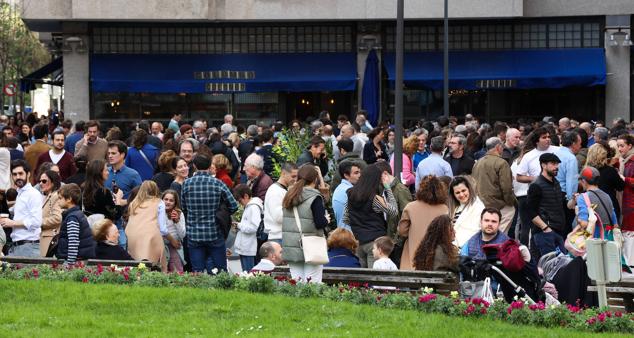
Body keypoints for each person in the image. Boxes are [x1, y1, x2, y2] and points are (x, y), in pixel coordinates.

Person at [182, 154, 239, 273]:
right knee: (220, 270)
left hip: (194, 234)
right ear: (210, 166)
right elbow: (234, 206)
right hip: (214, 232)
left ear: (194, 166)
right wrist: (221, 211)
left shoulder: (186, 184)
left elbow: (184, 208)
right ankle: (221, 290)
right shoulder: (218, 183)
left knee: (197, 271)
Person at [342, 163, 398, 268]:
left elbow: (346, 218)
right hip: (375, 243)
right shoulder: (374, 198)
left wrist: (359, 225)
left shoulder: (350, 194)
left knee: (363, 279)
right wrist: (388, 188)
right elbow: (393, 211)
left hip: (359, 242)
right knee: (374, 278)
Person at [282, 164, 330, 283]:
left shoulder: (289, 195)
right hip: (311, 244)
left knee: (297, 282)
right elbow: (319, 223)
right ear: (315, 179)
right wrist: (326, 219)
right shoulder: (314, 197)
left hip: (292, 244)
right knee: (312, 283)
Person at [398, 175, 449, 270]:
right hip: (436, 256)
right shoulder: (444, 209)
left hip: (413, 254)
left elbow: (402, 231)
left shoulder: (410, 207)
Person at [471, 137, 516, 233]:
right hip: (497, 203)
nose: (503, 149)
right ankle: (497, 240)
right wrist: (512, 202)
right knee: (511, 210)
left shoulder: (478, 162)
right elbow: (506, 189)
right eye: (502, 147)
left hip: (480, 203)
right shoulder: (502, 163)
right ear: (498, 147)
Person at [527, 153, 567, 258]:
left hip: (558, 231)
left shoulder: (556, 183)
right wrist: (545, 228)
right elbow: (531, 211)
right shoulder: (536, 185)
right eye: (553, 164)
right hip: (544, 233)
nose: (556, 167)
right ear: (543, 165)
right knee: (549, 266)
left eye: (557, 164)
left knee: (561, 265)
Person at [126, 181, 170, 272]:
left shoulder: (133, 203)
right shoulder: (159, 202)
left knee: (137, 266)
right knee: (155, 267)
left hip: (132, 236)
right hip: (152, 236)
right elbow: (163, 228)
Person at [1, 160, 42, 257]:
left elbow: (36, 222)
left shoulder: (33, 194)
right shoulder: (20, 193)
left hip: (28, 247)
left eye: (20, 173)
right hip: (17, 246)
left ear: (28, 174)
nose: (18, 177)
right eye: (14, 174)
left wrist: (12, 223)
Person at [55, 183, 96, 264]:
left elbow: (73, 242)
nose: (58, 201)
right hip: (78, 259)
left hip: (75, 261)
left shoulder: (72, 218)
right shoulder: (76, 214)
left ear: (69, 199)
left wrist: (70, 263)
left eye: (60, 198)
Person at [585, 142, 624, 220]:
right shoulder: (610, 171)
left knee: (593, 229)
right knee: (610, 230)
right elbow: (621, 186)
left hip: (591, 205)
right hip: (609, 206)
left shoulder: (586, 171)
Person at [263, 162, 298, 244]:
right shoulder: (275, 191)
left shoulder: (282, 189)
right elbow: (279, 217)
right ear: (283, 173)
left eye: (297, 176)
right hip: (278, 237)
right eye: (293, 176)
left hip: (282, 236)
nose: (295, 179)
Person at [231, 184, 263, 272]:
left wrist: (239, 225)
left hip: (249, 247)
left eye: (240, 200)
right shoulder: (249, 207)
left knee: (249, 273)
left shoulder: (253, 207)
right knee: (246, 273)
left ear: (246, 196)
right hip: (245, 246)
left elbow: (254, 227)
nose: (240, 204)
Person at [448, 176, 486, 248]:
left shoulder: (478, 206)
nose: (461, 195)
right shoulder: (456, 207)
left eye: (463, 190)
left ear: (469, 189)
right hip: (451, 246)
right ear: (453, 195)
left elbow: (475, 231)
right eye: (457, 192)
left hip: (465, 248)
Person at [617, 134, 634, 267]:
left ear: (630, 146)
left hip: (631, 204)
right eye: (618, 146)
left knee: (630, 235)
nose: (619, 148)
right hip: (627, 203)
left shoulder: (632, 161)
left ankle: (630, 265)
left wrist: (624, 179)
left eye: (622, 146)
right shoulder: (624, 161)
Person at [39, 170, 63, 256]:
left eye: (44, 181)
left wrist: (38, 222)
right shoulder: (46, 197)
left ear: (53, 182)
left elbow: (57, 218)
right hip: (44, 238)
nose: (41, 183)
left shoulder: (55, 196)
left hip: (50, 238)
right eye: (40, 181)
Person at [332, 161, 361, 231]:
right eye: (356, 173)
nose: (360, 175)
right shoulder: (349, 190)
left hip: (344, 232)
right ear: (346, 175)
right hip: (350, 234)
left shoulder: (340, 188)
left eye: (359, 172)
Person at [162, 189, 186, 272]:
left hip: (174, 246)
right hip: (160, 245)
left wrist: (177, 221)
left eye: (171, 200)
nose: (168, 202)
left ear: (175, 203)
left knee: (177, 270)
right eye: (166, 199)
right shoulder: (158, 212)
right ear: (162, 200)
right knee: (162, 269)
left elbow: (182, 235)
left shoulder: (179, 213)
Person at [554, 130, 581, 202]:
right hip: (563, 194)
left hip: (552, 192)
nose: (580, 146)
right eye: (579, 143)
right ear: (573, 144)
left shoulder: (555, 153)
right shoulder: (571, 158)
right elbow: (571, 181)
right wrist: (571, 200)